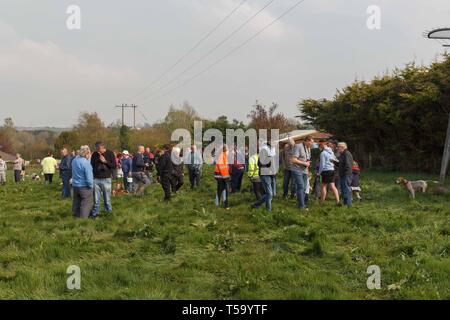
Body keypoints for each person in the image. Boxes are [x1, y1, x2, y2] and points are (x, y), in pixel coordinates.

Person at [90, 141, 116, 219]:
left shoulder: (110, 153)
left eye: (99, 149)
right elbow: (92, 166)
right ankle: (95, 215)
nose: (97, 150)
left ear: (102, 147)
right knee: (96, 200)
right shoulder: (94, 154)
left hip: (106, 179)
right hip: (96, 179)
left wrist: (105, 161)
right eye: (96, 148)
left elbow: (114, 165)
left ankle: (108, 214)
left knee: (107, 199)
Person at [251, 140, 277, 212]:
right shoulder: (264, 149)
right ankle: (268, 210)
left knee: (272, 194)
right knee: (269, 193)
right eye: (274, 141)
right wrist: (268, 170)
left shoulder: (272, 149)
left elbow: (273, 162)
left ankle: (256, 204)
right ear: (269, 141)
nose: (276, 143)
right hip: (265, 174)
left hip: (272, 174)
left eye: (276, 141)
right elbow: (260, 163)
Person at [291, 136, 314, 210]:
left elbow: (307, 160)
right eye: (311, 142)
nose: (312, 144)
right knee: (301, 187)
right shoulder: (298, 146)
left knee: (304, 188)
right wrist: (304, 163)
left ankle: (301, 203)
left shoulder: (308, 148)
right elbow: (293, 160)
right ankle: (301, 206)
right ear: (306, 141)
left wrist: (308, 166)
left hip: (305, 171)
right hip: (297, 170)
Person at [71, 146, 94, 219]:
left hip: (75, 184)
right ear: (86, 154)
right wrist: (91, 185)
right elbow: (89, 176)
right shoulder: (86, 163)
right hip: (84, 185)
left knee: (76, 201)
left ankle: (75, 215)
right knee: (86, 202)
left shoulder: (74, 160)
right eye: (89, 154)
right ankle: (83, 218)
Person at [337, 142, 354, 207]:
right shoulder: (342, 154)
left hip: (346, 174)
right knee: (344, 190)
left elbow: (348, 165)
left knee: (346, 190)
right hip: (343, 174)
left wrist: (344, 173)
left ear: (342, 147)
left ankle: (348, 205)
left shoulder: (346, 154)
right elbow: (341, 164)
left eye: (338, 147)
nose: (337, 148)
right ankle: (345, 204)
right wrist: (335, 162)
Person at [214, 145, 231, 209]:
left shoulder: (224, 156)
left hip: (222, 176)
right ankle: (218, 204)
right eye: (228, 150)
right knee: (221, 190)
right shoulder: (222, 156)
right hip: (221, 176)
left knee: (223, 190)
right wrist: (226, 176)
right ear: (225, 150)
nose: (228, 152)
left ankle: (222, 204)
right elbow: (222, 167)